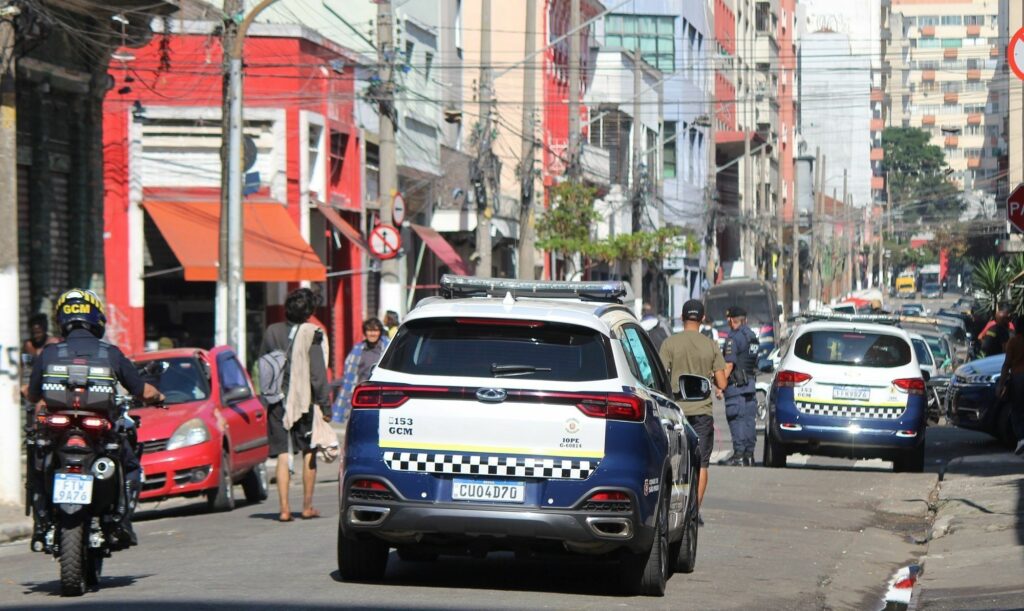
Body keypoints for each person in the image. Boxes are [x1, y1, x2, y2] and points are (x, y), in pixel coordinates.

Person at [25, 289, 165, 549]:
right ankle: (122, 521)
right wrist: (158, 397)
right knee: (131, 464)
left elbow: (32, 395)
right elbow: (142, 391)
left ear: (61, 319)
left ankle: (42, 522)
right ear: (97, 318)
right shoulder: (110, 353)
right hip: (99, 431)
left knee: (37, 461)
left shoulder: (49, 353)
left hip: (58, 432)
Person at [260, 288, 331, 522]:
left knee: (282, 454)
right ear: (309, 311)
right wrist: (325, 404)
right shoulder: (313, 333)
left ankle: (283, 509)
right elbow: (317, 373)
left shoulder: (272, 331)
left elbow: (264, 364)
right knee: (309, 451)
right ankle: (307, 506)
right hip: (305, 401)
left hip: (277, 401)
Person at [659, 299, 728, 523]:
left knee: (672, 461)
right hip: (702, 414)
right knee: (702, 463)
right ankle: (693, 512)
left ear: (682, 317)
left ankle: (671, 505)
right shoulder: (710, 345)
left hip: (676, 414)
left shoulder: (670, 343)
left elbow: (659, 376)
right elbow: (722, 382)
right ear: (703, 318)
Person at [719, 306, 760, 467]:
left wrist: (720, 386)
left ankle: (738, 455)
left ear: (731, 319)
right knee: (749, 420)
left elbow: (729, 365)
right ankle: (749, 454)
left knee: (736, 419)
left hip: (736, 386)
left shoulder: (733, 338)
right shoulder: (752, 336)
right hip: (750, 384)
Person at [332, 318, 390, 423]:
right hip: (362, 396)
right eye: (369, 330)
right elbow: (349, 377)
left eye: (375, 330)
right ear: (365, 332)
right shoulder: (358, 349)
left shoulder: (387, 348)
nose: (372, 334)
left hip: (381, 394)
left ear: (380, 332)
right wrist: (329, 386)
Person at [999, 315, 1024, 455]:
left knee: (1017, 410)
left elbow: (1006, 364)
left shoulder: (1013, 342)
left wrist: (1001, 385)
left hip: (1018, 378)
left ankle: (1021, 439)